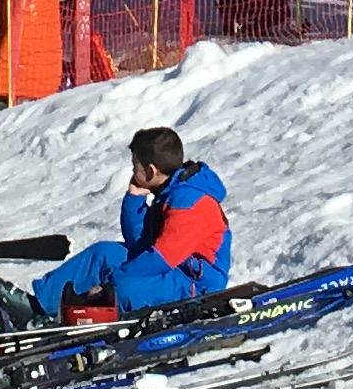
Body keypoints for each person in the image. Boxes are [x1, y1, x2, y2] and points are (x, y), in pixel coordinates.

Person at [27, 130, 233, 320]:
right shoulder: (170, 191)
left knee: (125, 289)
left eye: (135, 165)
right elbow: (139, 243)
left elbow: (161, 258)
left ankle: (79, 318)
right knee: (103, 254)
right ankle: (38, 306)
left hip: (196, 285)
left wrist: (111, 282)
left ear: (151, 171)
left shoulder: (189, 202)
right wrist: (134, 200)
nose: (133, 171)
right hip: (171, 269)